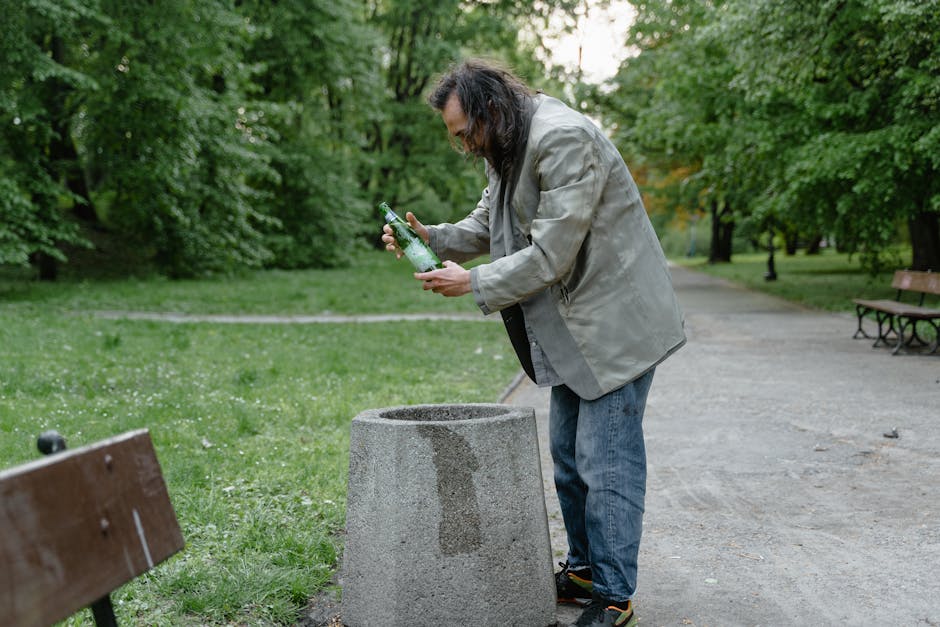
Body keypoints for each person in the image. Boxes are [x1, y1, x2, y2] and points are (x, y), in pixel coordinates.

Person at [381, 58, 685, 627]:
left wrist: (471, 281)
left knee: (606, 463)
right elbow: (489, 223)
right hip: (573, 330)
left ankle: (615, 597)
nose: (464, 145)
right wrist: (431, 237)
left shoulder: (562, 138)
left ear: (490, 110)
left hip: (614, 327)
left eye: (464, 132)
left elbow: (552, 253)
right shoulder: (509, 141)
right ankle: (586, 570)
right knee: (569, 459)